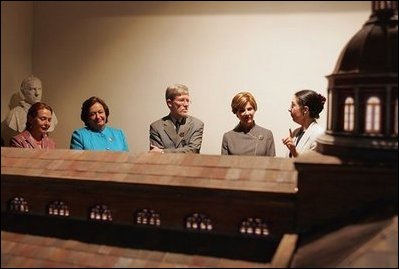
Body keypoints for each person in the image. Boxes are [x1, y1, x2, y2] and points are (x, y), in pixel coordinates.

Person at [149, 84, 204, 153]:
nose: (186, 104)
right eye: (181, 100)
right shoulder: (156, 127)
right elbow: (156, 155)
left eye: (187, 100)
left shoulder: (197, 124)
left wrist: (163, 152)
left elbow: (193, 150)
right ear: (169, 103)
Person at [221, 91, 275, 156]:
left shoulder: (267, 135)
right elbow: (225, 165)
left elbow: (272, 164)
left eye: (249, 109)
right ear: (236, 113)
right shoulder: (228, 137)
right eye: (242, 110)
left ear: (254, 109)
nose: (247, 113)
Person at [282, 89, 326, 158]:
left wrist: (294, 151)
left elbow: (313, 165)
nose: (289, 109)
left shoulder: (319, 135)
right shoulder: (295, 132)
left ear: (305, 110)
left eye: (293, 106)